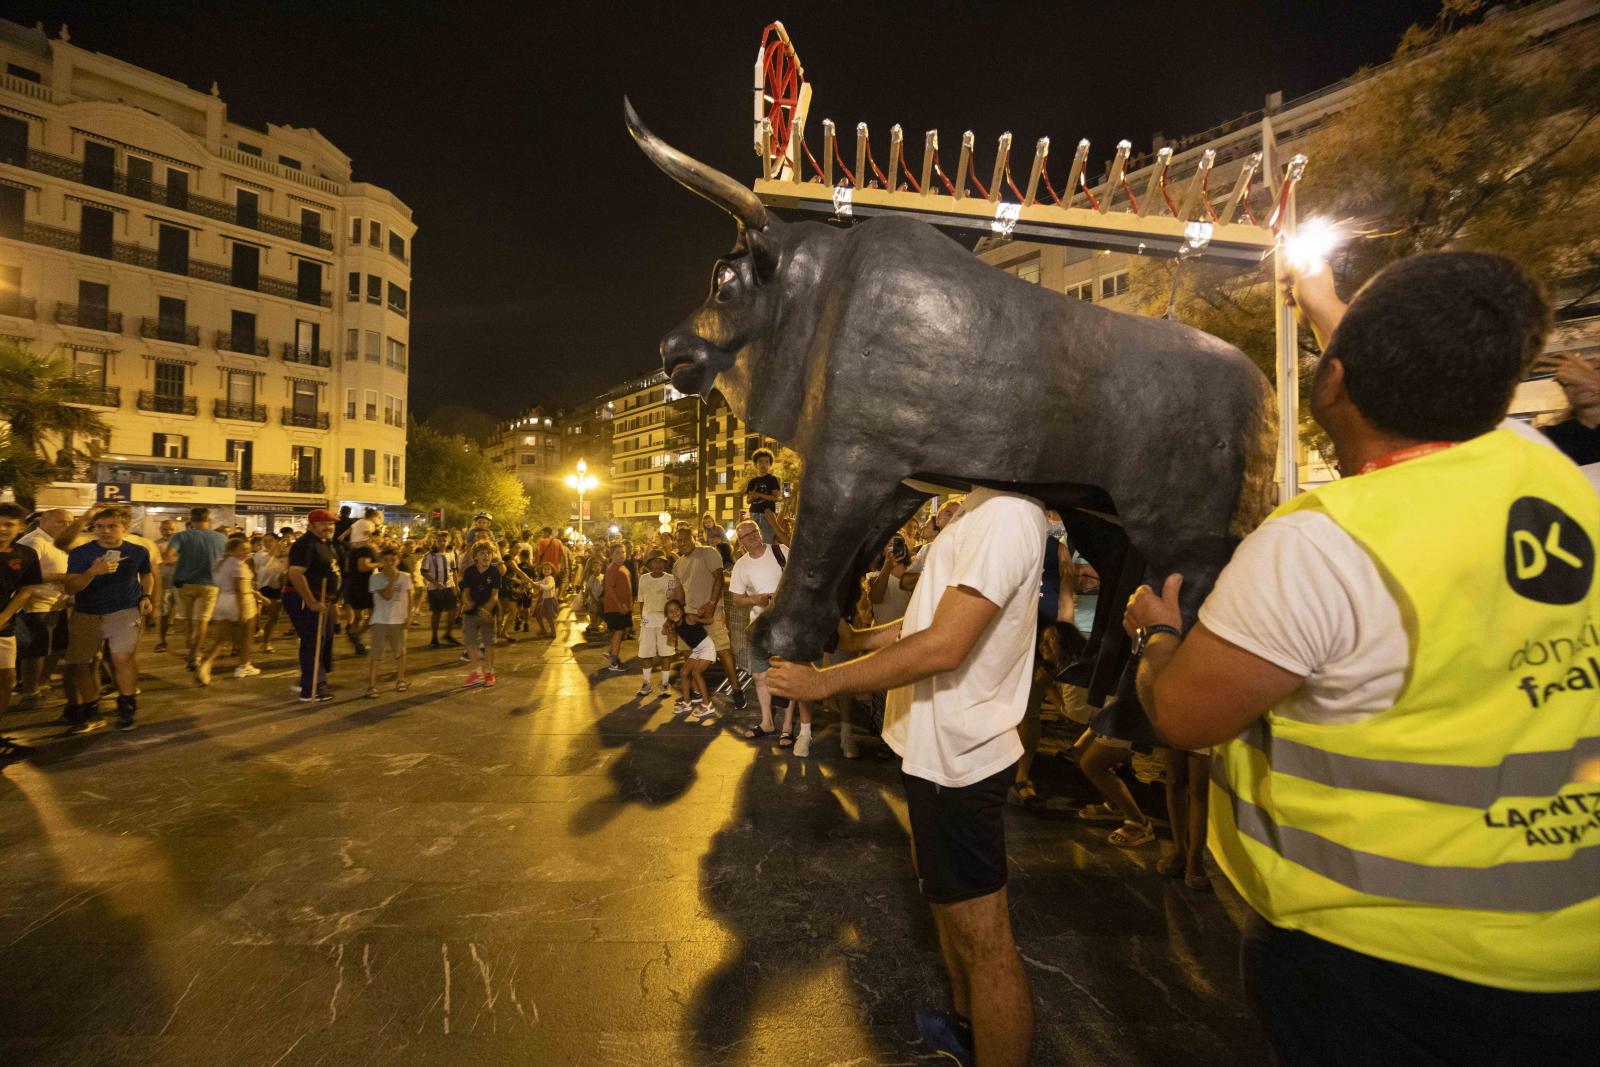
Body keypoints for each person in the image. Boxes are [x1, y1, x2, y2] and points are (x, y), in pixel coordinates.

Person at [1124, 251, 1599, 1064]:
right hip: (1573, 954)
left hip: (1381, 967)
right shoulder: (1549, 475)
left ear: (1333, 382)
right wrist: (1322, 299)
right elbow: (1432, 378)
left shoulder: (1319, 547)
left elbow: (1181, 715)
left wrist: (1155, 635)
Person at [769, 487, 1047, 1067]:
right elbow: (924, 624)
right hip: (930, 754)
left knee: (985, 939)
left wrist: (822, 684)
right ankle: (967, 1029)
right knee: (947, 905)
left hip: (959, 761)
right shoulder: (977, 508)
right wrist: (853, 641)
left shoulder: (1007, 514)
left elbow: (945, 646)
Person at [62, 509, 154, 732]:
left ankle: (127, 706)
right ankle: (92, 711)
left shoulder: (138, 551)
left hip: (124, 611)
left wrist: (146, 596)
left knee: (122, 658)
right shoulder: (81, 553)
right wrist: (93, 572)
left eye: (112, 526)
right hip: (87, 612)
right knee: (81, 663)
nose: (105, 531)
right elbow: (70, 587)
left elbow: (146, 575)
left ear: (125, 528)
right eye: (100, 526)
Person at [728, 520, 810, 748]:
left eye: (753, 532)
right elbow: (736, 599)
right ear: (741, 542)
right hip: (759, 627)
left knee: (785, 675)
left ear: (759, 532)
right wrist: (755, 599)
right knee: (759, 676)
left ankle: (787, 727)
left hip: (786, 624)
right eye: (745, 536)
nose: (751, 537)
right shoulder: (741, 565)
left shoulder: (779, 551)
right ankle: (767, 723)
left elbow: (799, 576)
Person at [672, 523, 746, 710]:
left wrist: (712, 604)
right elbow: (679, 593)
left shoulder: (708, 552)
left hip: (711, 611)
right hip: (689, 615)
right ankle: (697, 692)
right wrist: (673, 617)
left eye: (685, 539)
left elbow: (719, 578)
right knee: (688, 652)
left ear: (693, 538)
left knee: (723, 650)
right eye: (678, 541)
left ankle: (737, 690)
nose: (682, 543)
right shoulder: (677, 564)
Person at [15, 508, 71, 708]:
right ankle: (30, 693)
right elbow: (24, 573)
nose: (66, 526)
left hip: (57, 603)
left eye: (69, 523)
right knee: (35, 651)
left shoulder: (59, 543)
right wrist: (62, 577)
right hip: (36, 605)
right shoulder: (34, 541)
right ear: (43, 522)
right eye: (61, 522)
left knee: (58, 647)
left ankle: (42, 684)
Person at [283, 509, 341, 702]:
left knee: (322, 641)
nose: (329, 527)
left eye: (331, 524)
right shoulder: (305, 544)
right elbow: (295, 574)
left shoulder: (324, 543)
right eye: (324, 524)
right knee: (313, 642)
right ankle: (312, 689)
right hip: (305, 600)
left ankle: (309, 680)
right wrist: (311, 602)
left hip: (323, 599)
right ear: (311, 525)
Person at [0, 503, 44, 754]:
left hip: (5, 625)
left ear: (21, 528)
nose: (2, 529)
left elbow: (26, 589)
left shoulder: (26, 554)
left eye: (9, 524)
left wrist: (5, 615)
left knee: (7, 679)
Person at [197, 535, 261, 685]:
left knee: (222, 638)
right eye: (242, 549)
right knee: (246, 637)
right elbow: (239, 589)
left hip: (223, 600)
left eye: (248, 549)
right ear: (232, 550)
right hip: (240, 602)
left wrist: (259, 596)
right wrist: (242, 610)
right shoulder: (238, 565)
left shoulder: (221, 563)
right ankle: (244, 666)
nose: (247, 552)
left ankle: (206, 664)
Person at [168, 507, 226, 670]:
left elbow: (168, 557)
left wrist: (183, 560)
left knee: (188, 619)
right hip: (210, 584)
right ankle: (195, 654)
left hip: (184, 583)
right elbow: (226, 560)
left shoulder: (181, 536)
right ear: (209, 519)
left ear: (191, 520)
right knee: (202, 620)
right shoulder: (222, 538)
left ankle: (191, 645)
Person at [366, 546, 412, 696]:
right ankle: (372, 686)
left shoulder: (405, 577)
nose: (390, 563)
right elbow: (386, 596)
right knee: (376, 654)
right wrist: (392, 579)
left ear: (398, 560)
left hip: (399, 620)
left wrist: (409, 616)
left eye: (393, 560)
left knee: (400, 652)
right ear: (381, 561)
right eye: (386, 560)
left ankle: (401, 680)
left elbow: (409, 597)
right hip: (380, 620)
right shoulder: (375, 578)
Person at [634, 550, 678, 698]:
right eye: (654, 562)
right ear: (649, 564)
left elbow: (673, 601)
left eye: (661, 562)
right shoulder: (644, 579)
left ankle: (665, 684)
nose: (658, 565)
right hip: (648, 622)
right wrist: (642, 619)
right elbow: (641, 600)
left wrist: (671, 621)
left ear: (665, 564)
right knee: (646, 653)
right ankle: (646, 683)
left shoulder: (670, 579)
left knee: (666, 653)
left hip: (665, 621)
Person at [662, 597, 715, 718]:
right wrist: (666, 627)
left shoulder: (689, 618)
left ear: (682, 609)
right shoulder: (673, 623)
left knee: (696, 673)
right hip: (697, 649)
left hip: (707, 647)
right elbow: (664, 631)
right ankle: (686, 702)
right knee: (684, 672)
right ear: (667, 615)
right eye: (671, 611)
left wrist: (704, 614)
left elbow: (708, 621)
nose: (674, 613)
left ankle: (707, 705)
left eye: (677, 610)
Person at [459, 541, 502, 687]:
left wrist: (487, 609)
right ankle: (476, 671)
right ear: (475, 556)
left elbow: (495, 595)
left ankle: (489, 671)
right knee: (470, 642)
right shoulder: (469, 572)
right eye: (482, 553)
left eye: (489, 553)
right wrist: (466, 602)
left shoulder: (495, 572)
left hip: (488, 614)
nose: (486, 556)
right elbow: (465, 592)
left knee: (489, 643)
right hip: (470, 613)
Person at [601, 543, 632, 673]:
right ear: (611, 555)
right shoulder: (612, 569)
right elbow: (609, 589)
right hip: (615, 608)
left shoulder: (623, 567)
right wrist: (619, 605)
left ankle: (611, 652)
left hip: (624, 607)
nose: (621, 555)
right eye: (617, 553)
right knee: (618, 632)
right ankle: (614, 661)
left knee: (622, 631)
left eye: (623, 552)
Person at [256, 533, 288, 652]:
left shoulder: (283, 556)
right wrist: (277, 549)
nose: (267, 543)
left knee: (275, 617)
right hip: (266, 587)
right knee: (271, 616)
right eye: (265, 541)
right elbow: (264, 562)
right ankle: (264, 643)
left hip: (279, 587)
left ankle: (266, 643)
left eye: (270, 541)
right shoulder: (260, 554)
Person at [744, 447, 782, 543]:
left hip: (767, 515)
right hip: (753, 514)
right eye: (760, 462)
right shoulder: (752, 481)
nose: (763, 465)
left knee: (766, 542)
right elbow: (748, 501)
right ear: (756, 464)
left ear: (770, 464)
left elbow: (776, 498)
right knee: (755, 542)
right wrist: (753, 498)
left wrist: (759, 494)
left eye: (766, 462)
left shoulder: (772, 479)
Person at [153, 517, 178, 652]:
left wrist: (168, 558)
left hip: (181, 582)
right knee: (164, 610)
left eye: (171, 529)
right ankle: (161, 640)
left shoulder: (182, 543)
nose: (168, 532)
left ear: (177, 529)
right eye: (165, 529)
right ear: (160, 530)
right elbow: (158, 561)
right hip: (164, 581)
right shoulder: (155, 544)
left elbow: (165, 559)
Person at [535, 561, 559, 639]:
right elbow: (538, 583)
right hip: (545, 600)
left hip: (549, 600)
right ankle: (543, 629)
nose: (546, 570)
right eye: (544, 569)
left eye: (548, 569)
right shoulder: (545, 578)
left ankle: (553, 632)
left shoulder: (550, 578)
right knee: (538, 615)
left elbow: (548, 587)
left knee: (549, 617)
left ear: (552, 570)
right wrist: (531, 583)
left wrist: (539, 585)